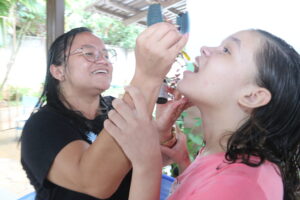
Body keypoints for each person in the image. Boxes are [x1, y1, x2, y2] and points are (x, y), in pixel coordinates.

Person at [104, 29, 300, 200]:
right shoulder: (221, 153)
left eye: (226, 50)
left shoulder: (239, 185)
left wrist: (147, 164)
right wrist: (183, 163)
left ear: (252, 96)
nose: (205, 48)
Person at [20, 24, 188, 200]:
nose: (103, 60)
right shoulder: (42, 126)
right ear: (58, 71)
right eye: (89, 53)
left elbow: (152, 159)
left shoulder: (114, 106)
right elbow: (93, 182)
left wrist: (163, 128)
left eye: (107, 55)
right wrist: (147, 76)